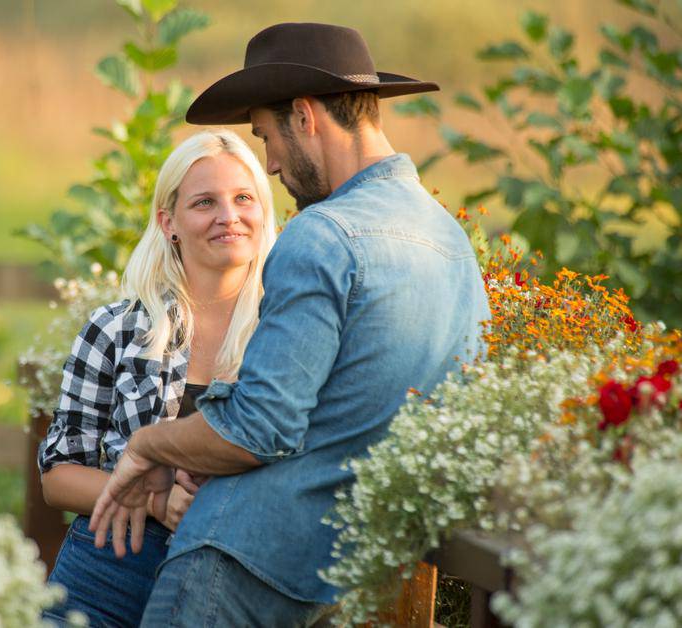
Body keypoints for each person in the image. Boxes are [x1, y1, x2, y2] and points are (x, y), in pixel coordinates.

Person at [89, 22, 493, 627]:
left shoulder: (322, 234)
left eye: (267, 138)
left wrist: (146, 446)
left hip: (242, 563)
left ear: (305, 117)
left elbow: (255, 429)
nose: (271, 165)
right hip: (350, 577)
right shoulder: (450, 239)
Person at [37, 129, 277, 627]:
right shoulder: (118, 328)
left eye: (243, 198)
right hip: (108, 573)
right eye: (205, 202)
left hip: (231, 583)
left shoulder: (286, 331)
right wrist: (156, 501)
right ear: (169, 222)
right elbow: (59, 475)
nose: (228, 217)